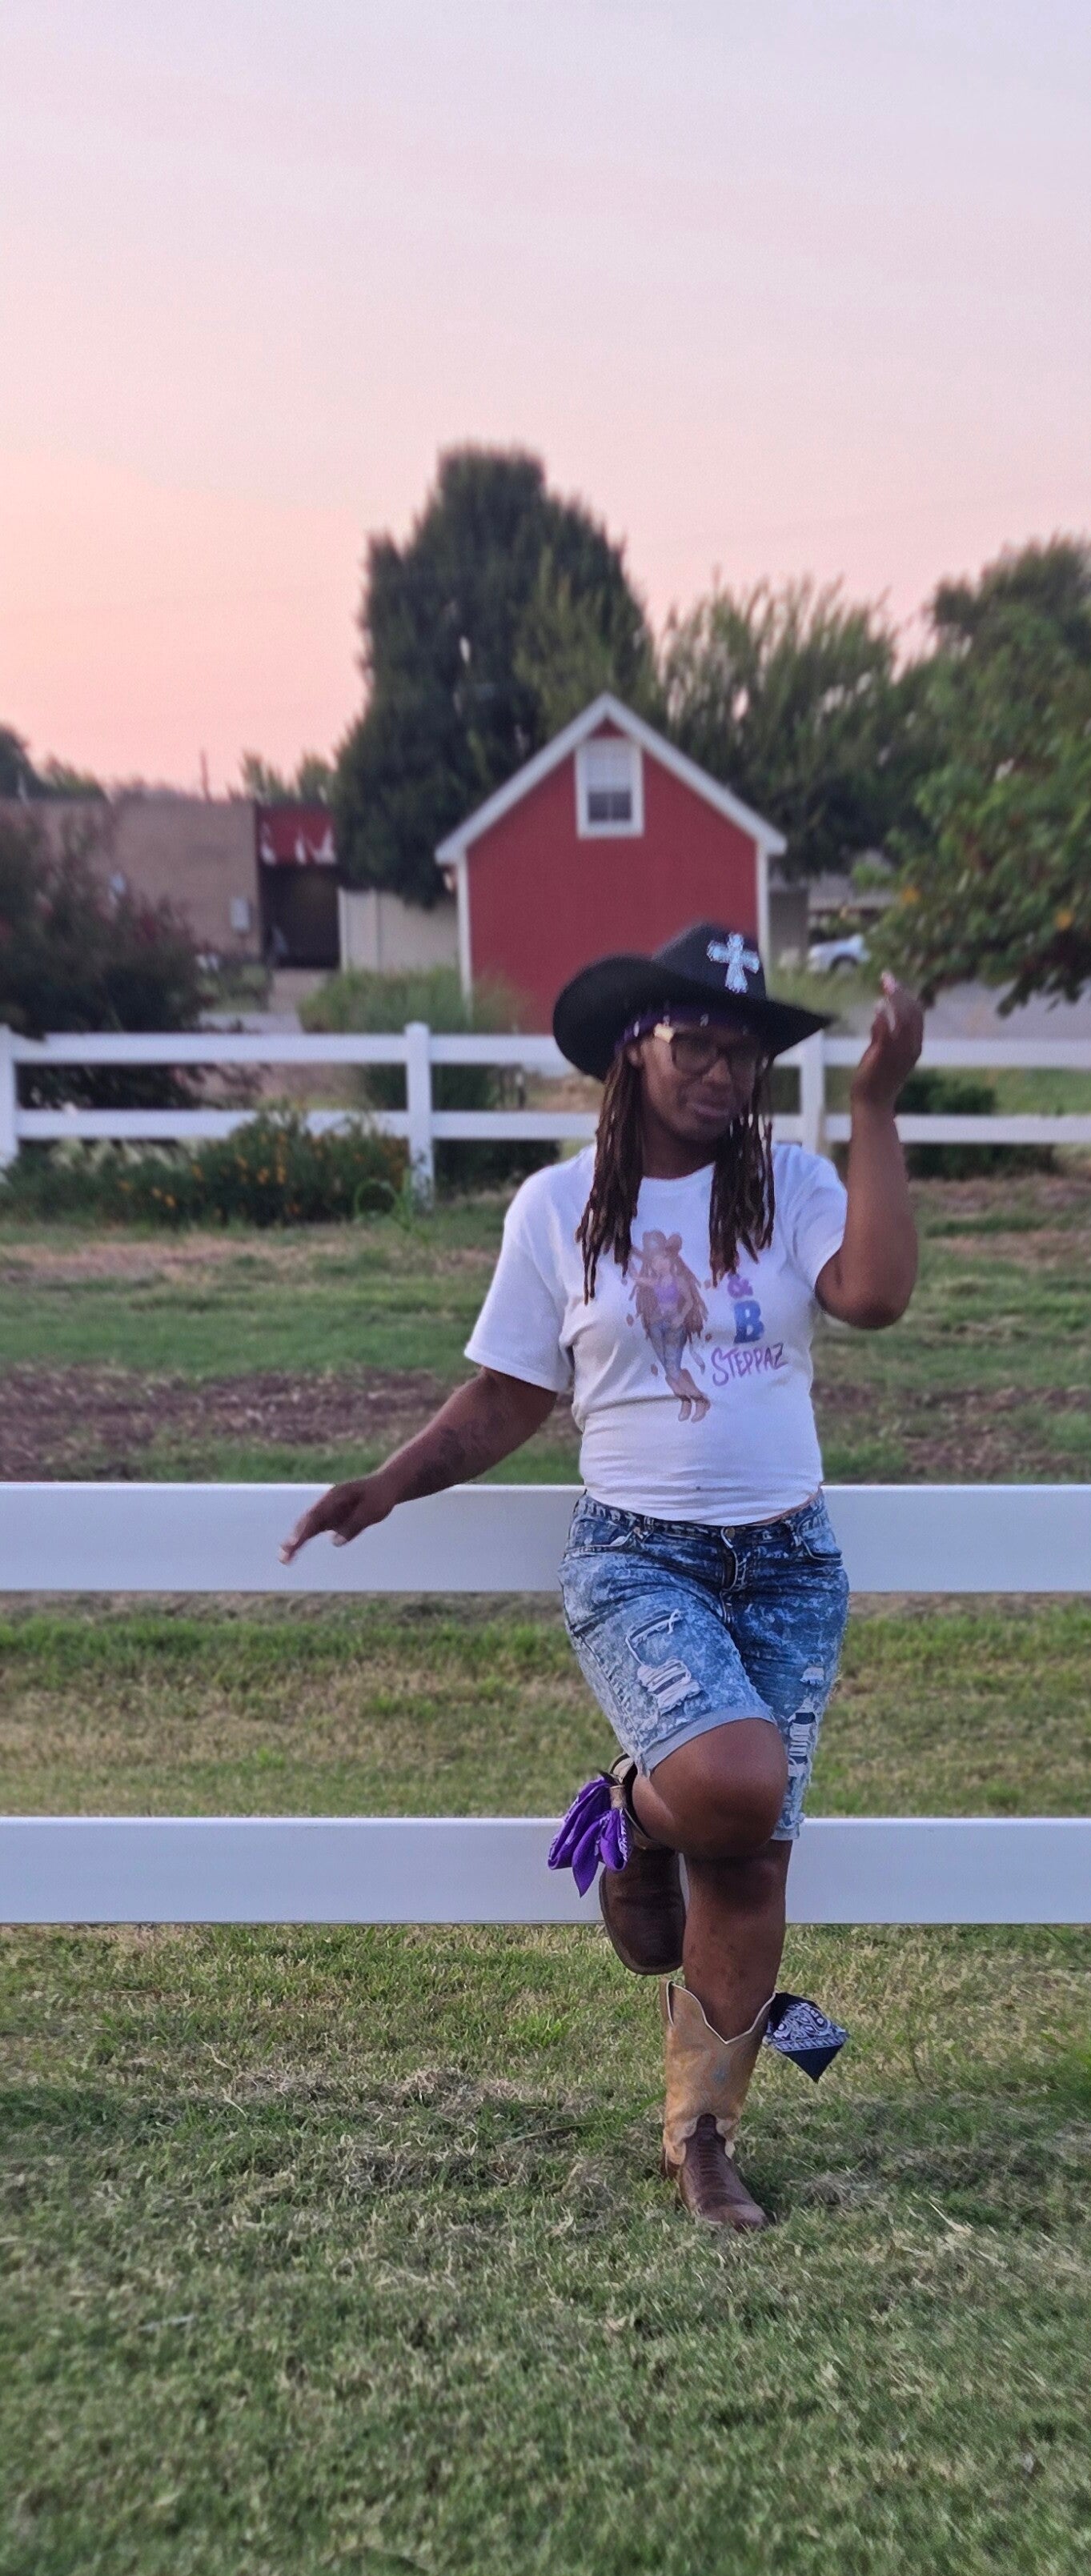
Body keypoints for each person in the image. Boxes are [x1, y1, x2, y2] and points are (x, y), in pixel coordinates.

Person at [283, 919, 923, 2231]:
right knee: (735, 1789)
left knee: (748, 1867)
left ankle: (703, 2138)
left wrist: (873, 1104)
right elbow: (512, 1393)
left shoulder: (792, 1185)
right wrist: (388, 1483)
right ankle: (631, 1808)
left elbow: (875, 1295)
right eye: (698, 1046)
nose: (723, 1075)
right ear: (636, 1047)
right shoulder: (558, 1209)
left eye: (744, 1054)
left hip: (789, 1563)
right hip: (641, 1558)